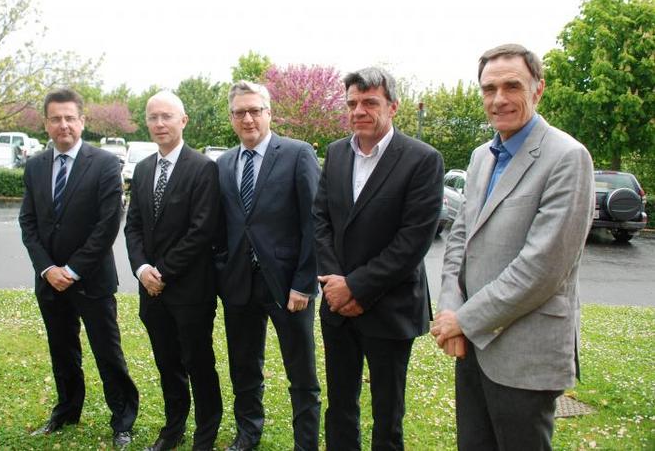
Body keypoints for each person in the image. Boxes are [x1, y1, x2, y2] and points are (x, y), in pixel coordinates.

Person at [431, 44, 595, 451]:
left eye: (512, 86)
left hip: (526, 354)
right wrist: (450, 309)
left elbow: (542, 269)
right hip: (471, 347)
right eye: (489, 89)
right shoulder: (481, 156)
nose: (499, 98)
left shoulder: (567, 157)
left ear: (537, 90)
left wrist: (463, 320)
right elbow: (459, 242)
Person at [313, 67, 444, 450]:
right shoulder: (337, 153)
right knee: (339, 406)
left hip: (390, 307)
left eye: (370, 102)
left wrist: (355, 287)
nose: (359, 111)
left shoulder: (422, 160)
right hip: (337, 307)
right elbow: (321, 220)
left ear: (393, 106)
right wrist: (335, 284)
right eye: (352, 103)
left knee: (388, 413)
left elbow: (413, 240)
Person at [19, 88, 138, 448]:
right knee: (62, 349)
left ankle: (122, 420)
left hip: (91, 280)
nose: (63, 125)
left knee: (107, 351)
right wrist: (47, 269)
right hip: (49, 282)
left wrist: (71, 270)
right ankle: (67, 409)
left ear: (82, 121)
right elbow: (29, 223)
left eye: (70, 117)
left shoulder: (103, 163)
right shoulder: (36, 165)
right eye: (56, 118)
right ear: (46, 123)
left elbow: (107, 224)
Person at [214, 80, 321, 451]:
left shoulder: (297, 154)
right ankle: (247, 434)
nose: (248, 118)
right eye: (240, 112)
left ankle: (306, 443)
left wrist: (304, 283)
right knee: (243, 367)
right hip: (240, 285)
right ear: (231, 118)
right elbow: (223, 224)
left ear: (268, 113)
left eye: (255, 110)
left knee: (301, 372)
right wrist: (222, 270)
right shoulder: (225, 162)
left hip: (289, 286)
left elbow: (314, 223)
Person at [124, 91, 222, 451]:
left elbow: (202, 231)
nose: (160, 123)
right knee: (167, 365)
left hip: (190, 291)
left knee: (199, 364)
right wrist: (141, 269)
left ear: (183, 121)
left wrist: (162, 272)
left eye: (167, 116)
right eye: (153, 117)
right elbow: (132, 225)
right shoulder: (144, 168)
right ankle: (173, 428)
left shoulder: (203, 168)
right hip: (151, 291)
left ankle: (206, 433)